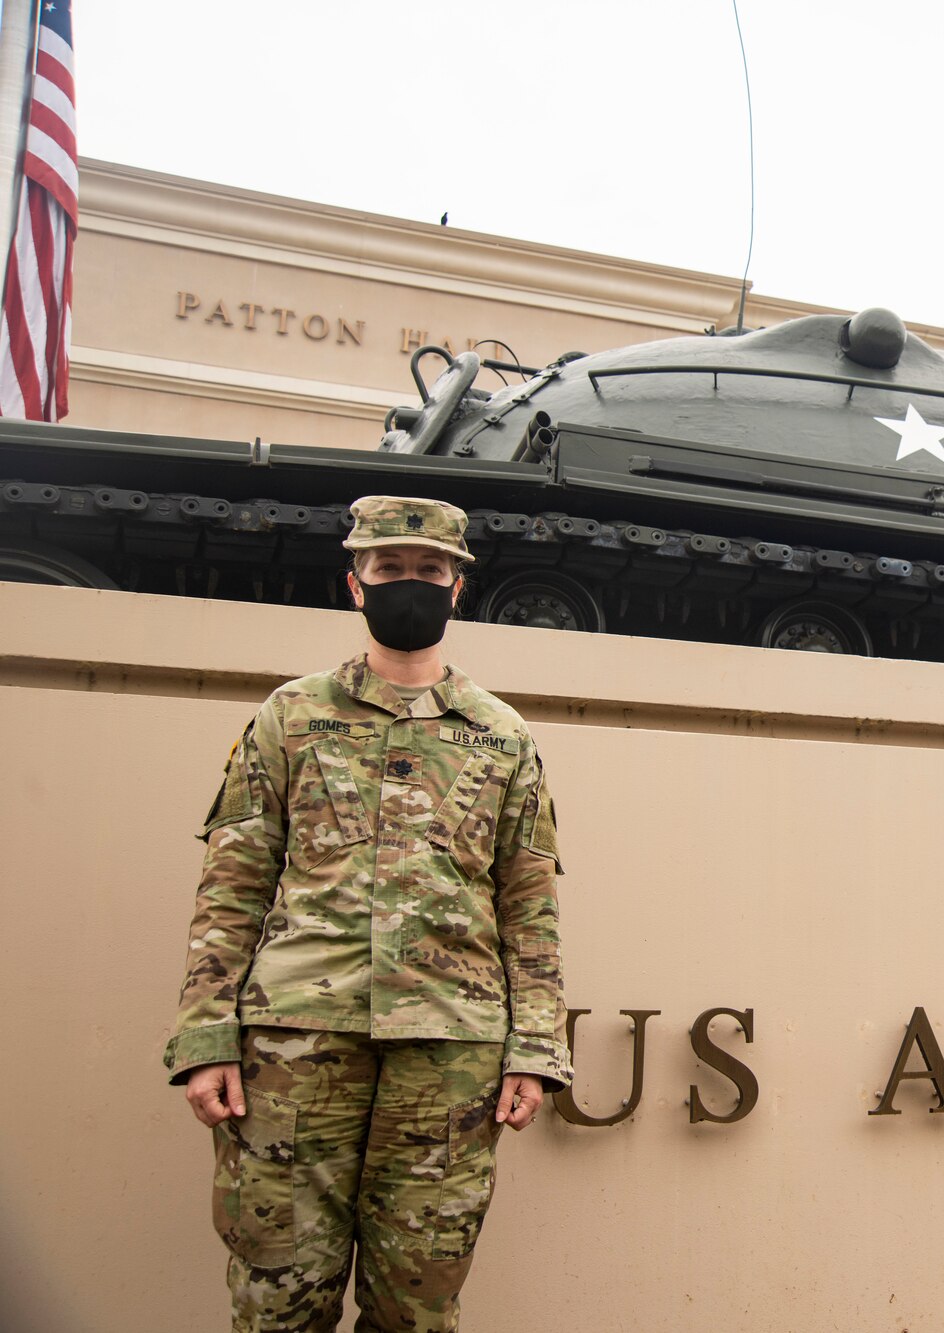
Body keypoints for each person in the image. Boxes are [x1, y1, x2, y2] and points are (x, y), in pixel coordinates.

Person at [164, 495, 572, 1332]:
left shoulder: (503, 736)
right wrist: (206, 1037)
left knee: (417, 1305)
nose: (410, 585)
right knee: (278, 1295)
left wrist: (535, 1047)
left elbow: (529, 907)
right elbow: (231, 886)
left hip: (449, 1055)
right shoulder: (291, 716)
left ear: (457, 587)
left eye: (430, 571)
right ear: (357, 584)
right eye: (391, 570)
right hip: (295, 1045)